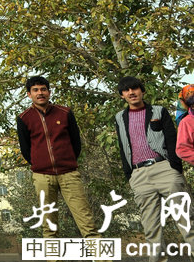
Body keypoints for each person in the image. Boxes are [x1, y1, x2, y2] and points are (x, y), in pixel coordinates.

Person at [114, 76, 194, 262]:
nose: (131, 93)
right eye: (127, 90)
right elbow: (122, 145)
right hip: (139, 174)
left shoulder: (159, 111)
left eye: (135, 88)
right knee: (151, 228)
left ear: (142, 91)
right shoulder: (119, 117)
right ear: (122, 95)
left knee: (185, 219)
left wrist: (175, 168)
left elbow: (172, 138)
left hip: (164, 167)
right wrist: (130, 174)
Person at [17, 75, 99, 238]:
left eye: (43, 89)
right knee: (49, 227)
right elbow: (26, 149)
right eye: (35, 90)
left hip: (69, 174)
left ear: (49, 92)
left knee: (87, 224)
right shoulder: (24, 118)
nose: (40, 93)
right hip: (42, 177)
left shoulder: (65, 112)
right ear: (29, 94)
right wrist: (40, 164)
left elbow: (76, 143)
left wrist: (67, 162)